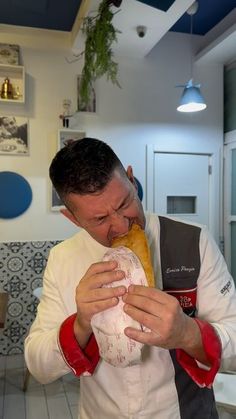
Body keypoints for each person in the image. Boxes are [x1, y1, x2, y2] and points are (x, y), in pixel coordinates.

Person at [25, 138, 236, 419]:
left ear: (132, 179)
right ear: (73, 219)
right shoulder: (63, 258)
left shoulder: (194, 241)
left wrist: (187, 333)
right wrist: (81, 324)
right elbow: (38, 366)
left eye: (125, 202)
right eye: (100, 219)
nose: (123, 225)